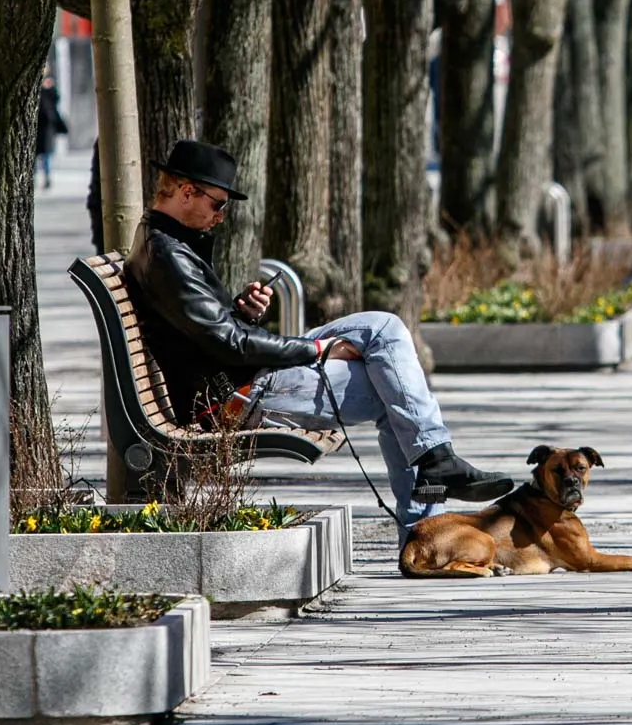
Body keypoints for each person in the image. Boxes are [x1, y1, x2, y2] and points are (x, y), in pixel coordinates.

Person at [124, 140, 517, 526]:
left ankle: (435, 462)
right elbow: (231, 344)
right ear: (187, 192)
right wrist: (316, 349)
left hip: (240, 377)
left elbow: (211, 331)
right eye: (218, 203)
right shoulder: (169, 256)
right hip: (235, 396)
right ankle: (428, 516)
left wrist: (241, 311)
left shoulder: (167, 242)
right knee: (394, 388)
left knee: (384, 327)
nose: (222, 215)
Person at [35, 75, 68, 189]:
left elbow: (56, 98)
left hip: (47, 132)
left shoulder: (51, 94)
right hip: (38, 132)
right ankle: (34, 179)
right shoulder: (40, 94)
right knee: (38, 157)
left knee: (46, 157)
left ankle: (46, 178)